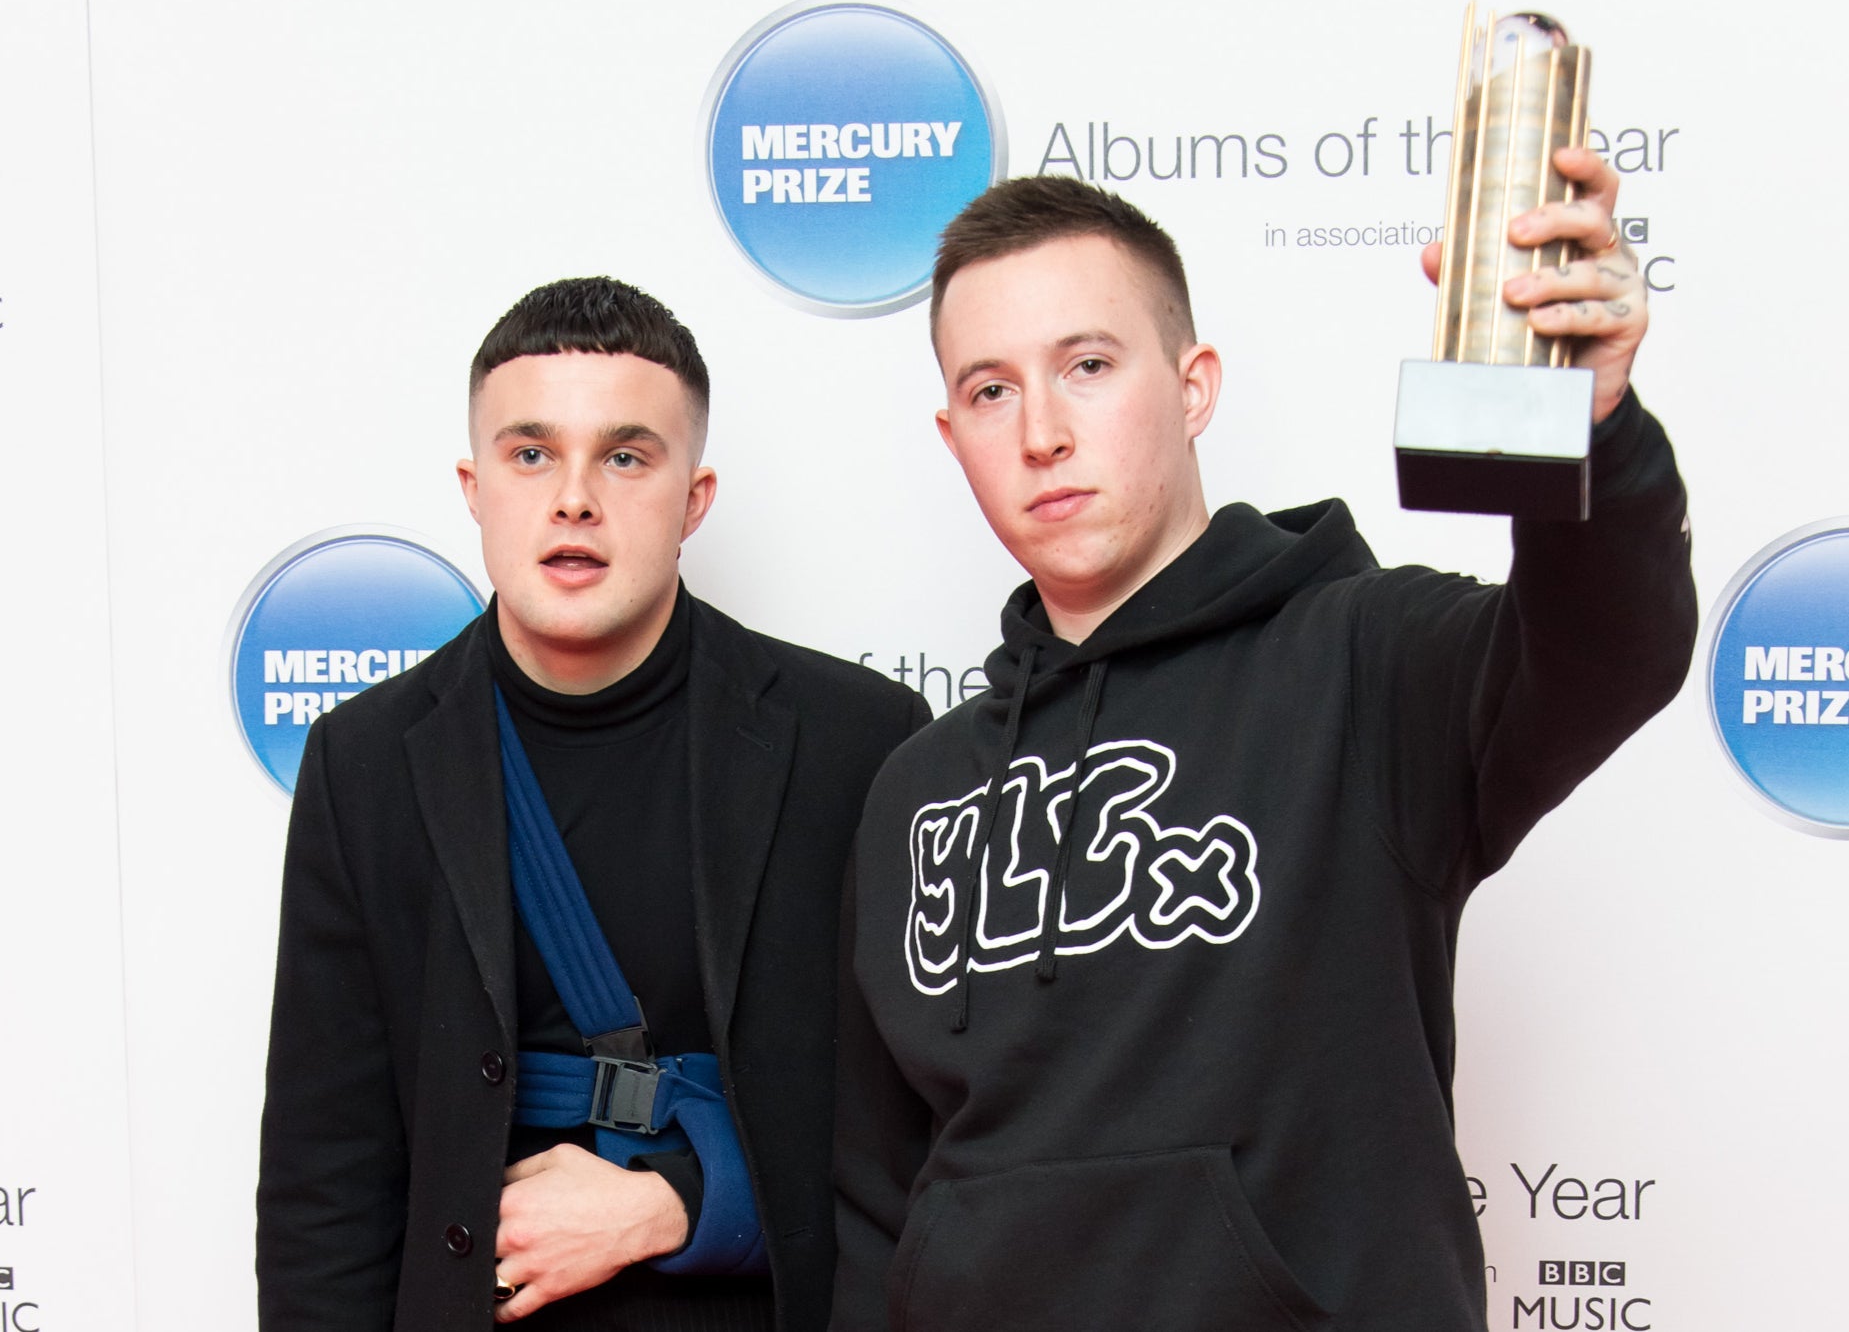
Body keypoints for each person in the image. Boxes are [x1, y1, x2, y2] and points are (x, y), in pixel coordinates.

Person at [830, 161, 1696, 1331]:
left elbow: (1607, 650)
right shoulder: (915, 791)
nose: (1040, 432)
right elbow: (875, 1205)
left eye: (1088, 366)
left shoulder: (1368, 662)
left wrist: (1596, 427)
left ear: (1194, 388)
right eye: (990, 390)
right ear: (951, 432)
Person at [257, 276, 930, 1332]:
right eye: (532, 455)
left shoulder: (859, 738)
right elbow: (325, 1177)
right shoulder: (366, 760)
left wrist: (681, 1206)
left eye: (625, 455)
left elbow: (906, 1135)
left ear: (694, 498)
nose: (574, 497)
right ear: (474, 488)